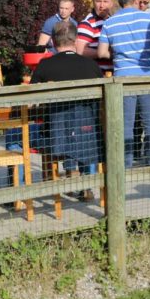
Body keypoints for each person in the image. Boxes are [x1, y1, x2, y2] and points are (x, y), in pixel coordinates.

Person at [33, 20, 102, 193]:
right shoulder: (91, 66)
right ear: (75, 39)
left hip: (56, 133)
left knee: (14, 138)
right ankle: (87, 180)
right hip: (89, 132)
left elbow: (32, 97)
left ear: (54, 42)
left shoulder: (45, 65)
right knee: (80, 128)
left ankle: (17, 195)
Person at [99, 0, 150, 166]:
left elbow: (102, 53)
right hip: (145, 75)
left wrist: (119, 54)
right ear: (135, 0)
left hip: (123, 76)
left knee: (126, 123)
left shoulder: (109, 23)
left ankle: (125, 163)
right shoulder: (149, 17)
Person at [75, 0, 115, 75]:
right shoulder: (87, 23)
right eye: (98, 1)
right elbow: (80, 51)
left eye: (105, 1)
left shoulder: (113, 21)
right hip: (97, 75)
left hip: (114, 74)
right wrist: (105, 53)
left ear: (111, 3)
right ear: (93, 2)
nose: (101, 6)